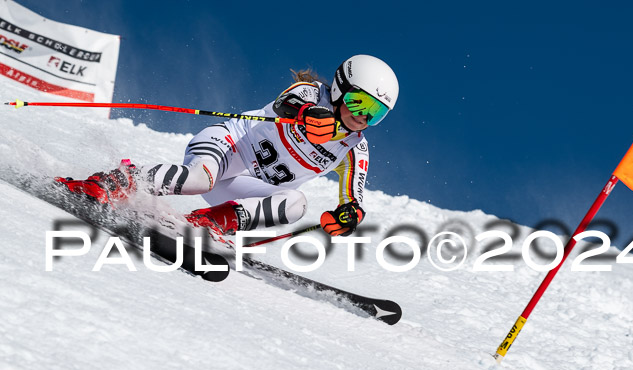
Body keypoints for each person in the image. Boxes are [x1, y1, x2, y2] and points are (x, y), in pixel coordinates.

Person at [55, 55, 399, 237]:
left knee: (296, 203)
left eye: (376, 113)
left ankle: (206, 224)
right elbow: (288, 103)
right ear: (339, 89)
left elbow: (353, 198)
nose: (363, 118)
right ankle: (111, 182)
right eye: (358, 103)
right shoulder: (313, 95)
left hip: (242, 186)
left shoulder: (355, 149)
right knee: (198, 180)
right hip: (228, 146)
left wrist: (349, 216)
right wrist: (308, 114)